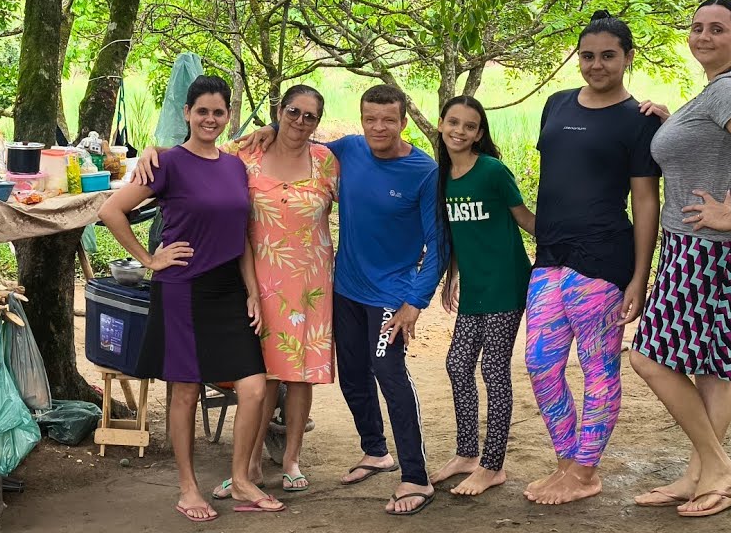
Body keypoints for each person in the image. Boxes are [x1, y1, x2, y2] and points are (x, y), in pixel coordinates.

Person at [245, 83, 448, 516]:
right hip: (345, 287)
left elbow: (439, 244)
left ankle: (416, 476)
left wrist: (416, 301)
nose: (378, 127)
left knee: (387, 370)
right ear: (361, 120)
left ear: (403, 121)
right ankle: (375, 450)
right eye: (370, 119)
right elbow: (298, 140)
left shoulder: (423, 171)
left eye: (388, 120)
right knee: (352, 373)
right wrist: (267, 128)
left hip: (392, 292)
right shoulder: (348, 151)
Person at [133, 84, 339, 497]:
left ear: (318, 122)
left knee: (299, 374)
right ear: (279, 110)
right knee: (261, 372)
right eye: (292, 112)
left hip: (310, 278)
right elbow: (197, 153)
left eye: (309, 116)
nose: (300, 121)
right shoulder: (247, 152)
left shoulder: (326, 160)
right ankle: (249, 467)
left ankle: (291, 458)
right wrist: (151, 151)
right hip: (255, 275)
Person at [98, 75, 283, 522]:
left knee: (255, 387)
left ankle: (241, 478)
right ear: (186, 113)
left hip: (227, 289)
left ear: (226, 117)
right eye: (202, 111)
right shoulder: (167, 163)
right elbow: (110, 211)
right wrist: (149, 258)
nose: (210, 119)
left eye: (218, 112)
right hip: (182, 287)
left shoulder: (234, 165)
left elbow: (241, 234)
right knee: (184, 390)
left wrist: (253, 291)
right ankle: (187, 487)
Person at [629, 0, 731, 518]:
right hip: (700, 246)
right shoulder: (719, 91)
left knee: (648, 357)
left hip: (709, 249)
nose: (703, 36)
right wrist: (672, 122)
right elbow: (718, 148)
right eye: (696, 27)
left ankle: (716, 468)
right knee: (712, 368)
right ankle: (703, 475)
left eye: (717, 29)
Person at [523, 10, 662, 505]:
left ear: (627, 57)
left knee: (597, 366)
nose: (596, 64)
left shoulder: (638, 121)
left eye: (608, 55)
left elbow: (646, 201)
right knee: (540, 362)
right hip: (550, 256)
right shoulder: (556, 104)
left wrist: (639, 277)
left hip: (603, 258)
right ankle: (566, 461)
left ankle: (585, 472)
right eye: (587, 56)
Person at [427, 96, 535, 496]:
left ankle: (493, 465)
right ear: (441, 124)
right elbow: (456, 233)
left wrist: (572, 239)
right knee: (457, 365)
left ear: (479, 133)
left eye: (469, 126)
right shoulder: (443, 176)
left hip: (506, 282)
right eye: (453, 122)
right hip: (473, 284)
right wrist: (451, 277)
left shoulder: (492, 171)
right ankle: (467, 453)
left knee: (493, 370)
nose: (459, 131)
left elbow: (524, 218)